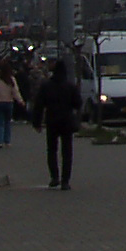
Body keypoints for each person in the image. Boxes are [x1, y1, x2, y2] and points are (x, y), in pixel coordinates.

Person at [35, 54, 81, 190]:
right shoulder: (70, 86)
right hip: (66, 121)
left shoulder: (46, 86)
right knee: (67, 151)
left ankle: (54, 177)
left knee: (52, 149)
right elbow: (78, 103)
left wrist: (37, 122)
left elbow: (39, 105)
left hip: (52, 120)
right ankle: (65, 181)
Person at [0, 59, 21, 150]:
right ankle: (7, 141)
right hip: (9, 102)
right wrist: (20, 101)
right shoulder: (11, 79)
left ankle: (0, 142)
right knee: (7, 122)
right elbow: (15, 91)